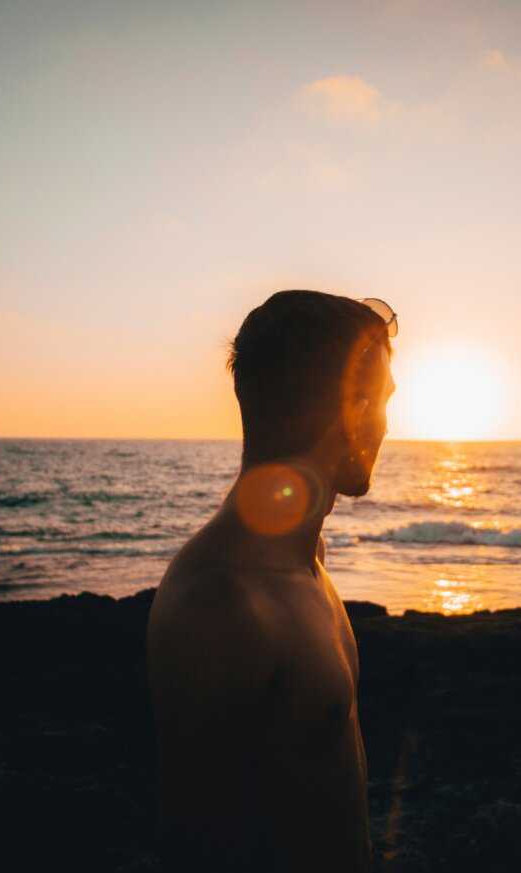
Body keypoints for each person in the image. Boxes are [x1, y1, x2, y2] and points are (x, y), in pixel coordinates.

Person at [146, 290, 397, 872]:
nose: (387, 424)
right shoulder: (224, 602)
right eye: (381, 400)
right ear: (351, 411)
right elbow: (196, 845)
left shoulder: (307, 561)